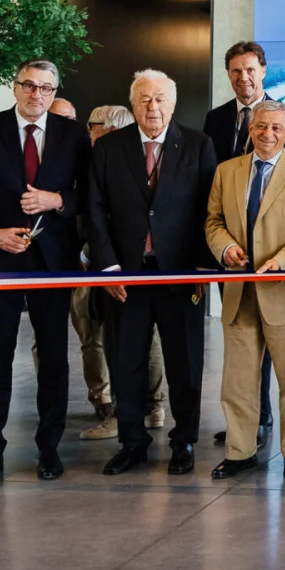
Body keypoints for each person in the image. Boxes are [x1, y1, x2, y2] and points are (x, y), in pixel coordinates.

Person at [0, 59, 91, 485]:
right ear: (14, 87)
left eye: (46, 88)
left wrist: (57, 201)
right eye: (29, 85)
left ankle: (49, 449)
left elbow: (89, 195)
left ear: (54, 92)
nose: (37, 95)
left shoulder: (72, 135)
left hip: (53, 262)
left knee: (53, 360)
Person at [88, 71, 219, 477]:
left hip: (180, 275)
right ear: (133, 105)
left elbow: (210, 210)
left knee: (184, 362)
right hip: (127, 276)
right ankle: (132, 443)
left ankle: (184, 442)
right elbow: (95, 211)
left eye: (160, 99)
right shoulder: (109, 148)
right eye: (144, 99)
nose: (153, 107)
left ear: (173, 104)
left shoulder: (198, 146)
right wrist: (108, 269)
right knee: (127, 361)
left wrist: (201, 266)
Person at [204, 101, 285, 480]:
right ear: (250, 129)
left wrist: (282, 261)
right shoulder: (227, 171)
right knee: (237, 379)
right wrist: (225, 248)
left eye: (276, 128)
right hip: (239, 289)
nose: (267, 134)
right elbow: (213, 220)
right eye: (260, 127)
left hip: (284, 289)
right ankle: (239, 451)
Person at [202, 40, 285, 449]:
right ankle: (246, 424)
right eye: (235, 72)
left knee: (280, 353)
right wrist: (222, 246)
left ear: (263, 71)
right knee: (241, 347)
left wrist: (280, 256)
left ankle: (266, 419)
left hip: (275, 259)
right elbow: (212, 185)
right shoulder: (215, 120)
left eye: (250, 70)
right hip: (231, 255)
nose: (243, 78)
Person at [76, 105, 170, 441]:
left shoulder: (116, 160)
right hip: (114, 263)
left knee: (119, 341)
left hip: (116, 265)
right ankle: (146, 407)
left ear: (109, 129)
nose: (87, 132)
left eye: (91, 125)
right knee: (135, 340)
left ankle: (126, 410)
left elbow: (101, 216)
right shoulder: (115, 158)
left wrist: (96, 255)